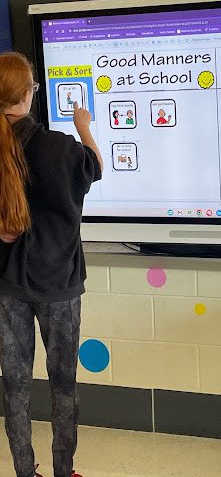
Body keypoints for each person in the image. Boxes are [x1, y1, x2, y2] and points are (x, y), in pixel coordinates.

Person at [0, 52, 102, 477]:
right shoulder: (59, 147)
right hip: (58, 285)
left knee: (15, 388)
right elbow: (94, 167)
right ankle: (64, 472)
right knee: (63, 385)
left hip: (7, 287)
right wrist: (84, 128)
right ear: (28, 95)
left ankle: (25, 472)